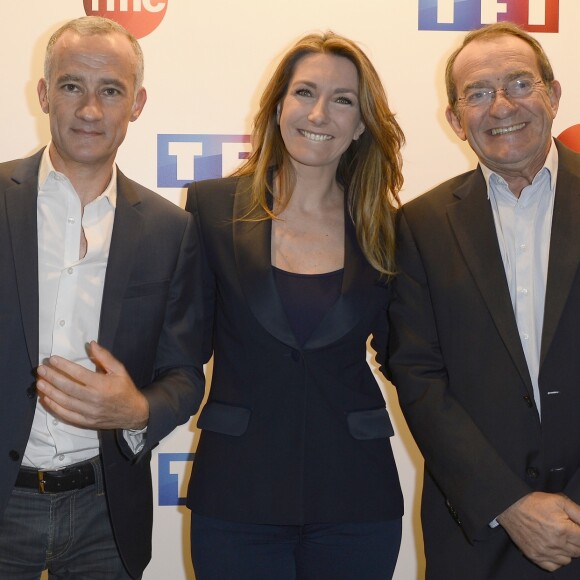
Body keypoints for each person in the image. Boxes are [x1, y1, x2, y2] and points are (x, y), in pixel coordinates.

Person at [185, 31, 405, 580]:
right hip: (236, 496)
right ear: (278, 107)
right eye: (305, 92)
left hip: (357, 500)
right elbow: (180, 344)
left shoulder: (388, 229)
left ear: (360, 127)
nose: (319, 112)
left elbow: (415, 357)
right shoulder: (211, 208)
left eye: (343, 100)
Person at [0, 16, 204, 579]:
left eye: (110, 90)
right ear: (44, 95)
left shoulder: (171, 230)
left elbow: (186, 374)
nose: (90, 109)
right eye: (72, 86)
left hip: (106, 512)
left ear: (136, 103)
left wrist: (136, 410)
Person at [389, 21, 580, 579]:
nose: (502, 106)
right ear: (454, 118)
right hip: (476, 531)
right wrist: (507, 503)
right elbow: (417, 373)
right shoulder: (421, 226)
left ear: (554, 94)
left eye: (520, 83)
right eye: (478, 93)